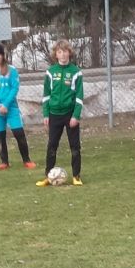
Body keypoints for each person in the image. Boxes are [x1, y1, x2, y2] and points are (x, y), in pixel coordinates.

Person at [36, 39, 84, 187]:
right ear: (56, 55)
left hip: (70, 115)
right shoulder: (50, 72)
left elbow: (79, 97)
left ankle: (76, 176)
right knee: (52, 146)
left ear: (69, 53)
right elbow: (46, 95)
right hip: (54, 114)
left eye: (65, 51)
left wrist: (75, 116)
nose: (62, 55)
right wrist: (45, 114)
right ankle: (48, 176)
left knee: (74, 146)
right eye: (59, 52)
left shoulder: (76, 73)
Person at [0, 42, 35, 171]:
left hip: (11, 108)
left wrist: (5, 104)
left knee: (19, 133)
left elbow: (14, 88)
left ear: (3, 55)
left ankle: (26, 160)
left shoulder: (12, 70)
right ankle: (4, 162)